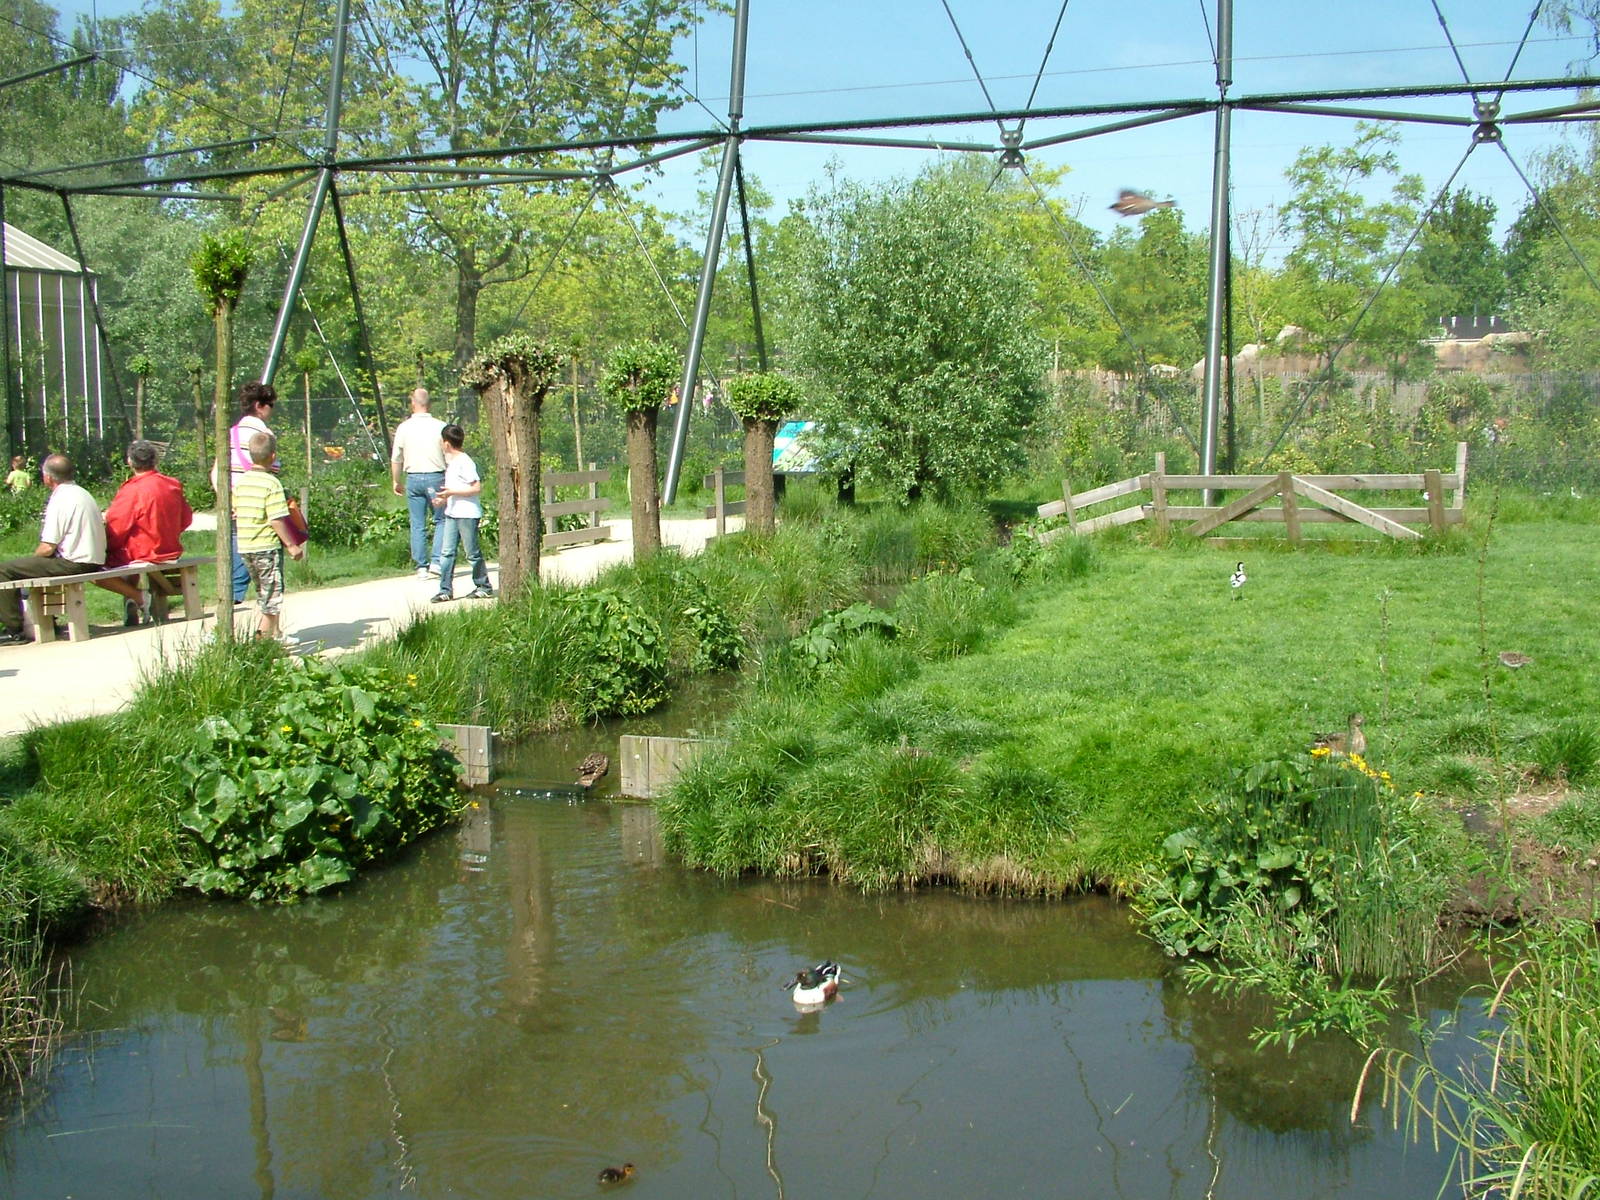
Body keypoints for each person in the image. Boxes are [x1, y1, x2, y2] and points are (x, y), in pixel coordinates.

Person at [0, 454, 105, 645]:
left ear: (48, 477)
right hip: (92, 559)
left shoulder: (60, 499)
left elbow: (47, 547)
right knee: (27, 568)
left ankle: (14, 630)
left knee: (4, 570)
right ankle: (47, 621)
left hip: (74, 562)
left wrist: (32, 562)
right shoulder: (82, 492)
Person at [98, 440, 195, 626]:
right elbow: (186, 518)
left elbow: (116, 528)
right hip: (171, 550)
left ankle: (136, 597)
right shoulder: (172, 484)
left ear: (130, 462)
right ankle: (134, 601)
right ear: (155, 460)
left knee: (94, 567)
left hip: (143, 552)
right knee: (124, 556)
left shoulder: (132, 489)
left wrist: (106, 547)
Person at [233, 430, 305, 643]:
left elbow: (236, 510)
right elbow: (276, 519)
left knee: (264, 591)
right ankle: (260, 643)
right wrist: (291, 545)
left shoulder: (241, 482)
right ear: (273, 456)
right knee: (272, 597)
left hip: (245, 546)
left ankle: (275, 635)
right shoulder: (272, 484)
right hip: (266, 546)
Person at [223, 382, 279, 603]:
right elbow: (273, 467)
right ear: (259, 406)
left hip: (237, 500)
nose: (272, 410)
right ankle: (267, 601)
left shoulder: (231, 433)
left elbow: (217, 471)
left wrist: (228, 500)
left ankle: (233, 594)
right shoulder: (263, 434)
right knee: (264, 548)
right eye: (271, 405)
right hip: (259, 498)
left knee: (239, 543)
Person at [430, 423, 494, 603]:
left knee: (471, 552)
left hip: (467, 513)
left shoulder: (464, 461)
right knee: (447, 552)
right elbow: (456, 488)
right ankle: (445, 589)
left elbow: (476, 487)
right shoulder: (451, 463)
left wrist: (451, 493)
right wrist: (444, 498)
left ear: (447, 444)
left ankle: (483, 586)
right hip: (452, 512)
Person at [390, 387, 446, 579]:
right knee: (441, 520)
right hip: (436, 476)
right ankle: (437, 562)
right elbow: (449, 454)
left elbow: (396, 458)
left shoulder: (404, 427)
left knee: (417, 523)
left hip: (413, 477)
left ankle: (421, 565)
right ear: (429, 404)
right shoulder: (441, 426)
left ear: (412, 403)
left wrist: (396, 481)